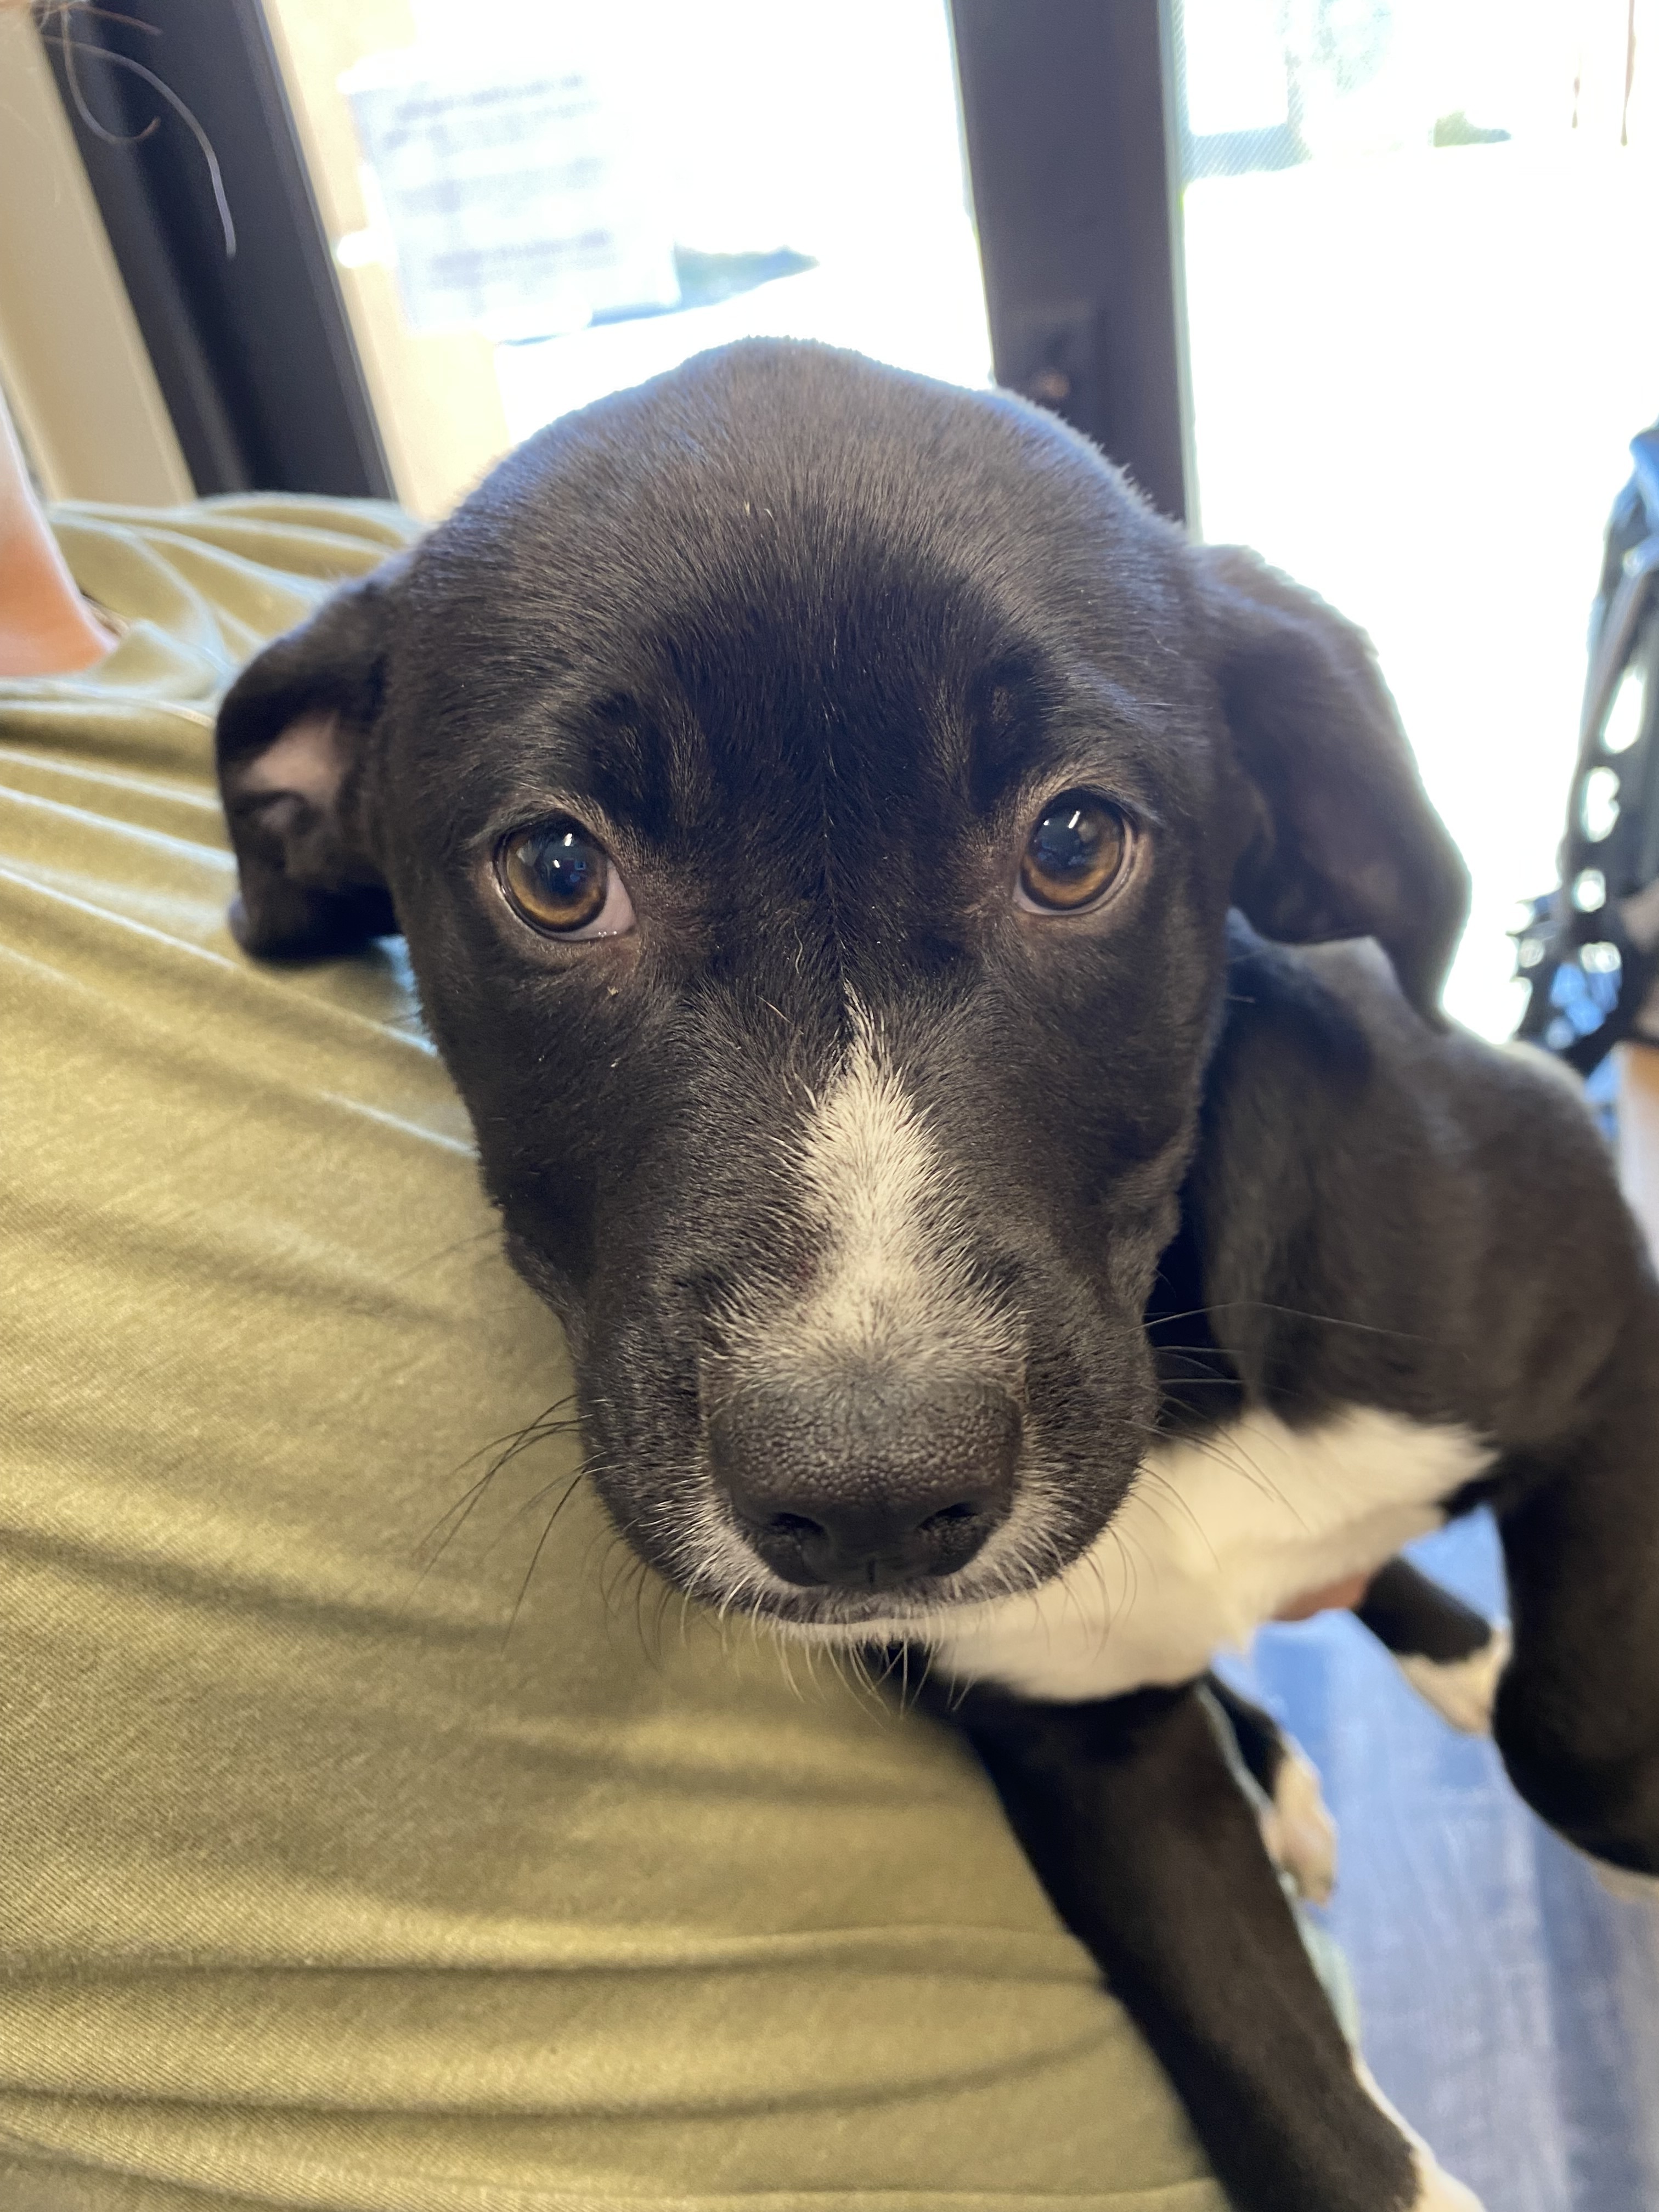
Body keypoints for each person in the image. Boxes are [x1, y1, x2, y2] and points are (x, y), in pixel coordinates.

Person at [0, 383, 1249, 2208]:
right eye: (564, 872)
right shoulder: (361, 678)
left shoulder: (247, 568)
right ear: (314, 819)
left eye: (1067, 846)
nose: (872, 1401)